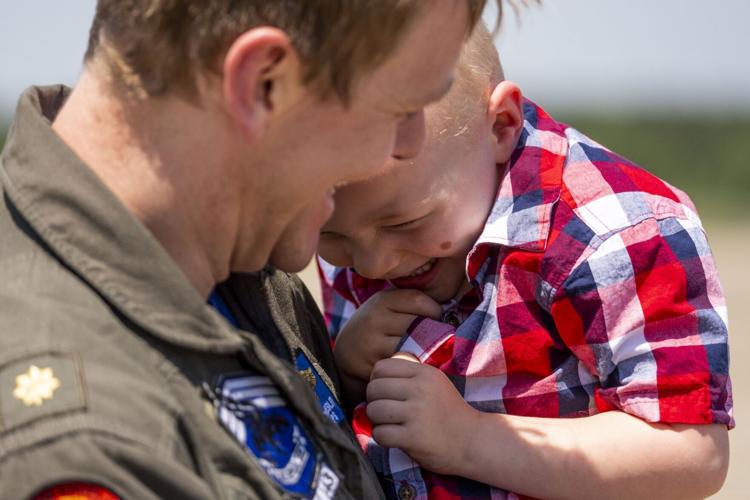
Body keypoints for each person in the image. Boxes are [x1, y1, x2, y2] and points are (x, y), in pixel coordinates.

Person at [0, 1, 498, 498]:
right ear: (264, 84)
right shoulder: (86, 446)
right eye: (399, 108)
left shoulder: (242, 267)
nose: (410, 144)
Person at [317, 24, 733, 499]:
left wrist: (469, 438)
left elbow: (691, 456)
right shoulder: (349, 224)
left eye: (406, 223)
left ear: (500, 127)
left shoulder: (614, 232)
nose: (371, 263)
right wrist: (346, 368)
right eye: (333, 237)